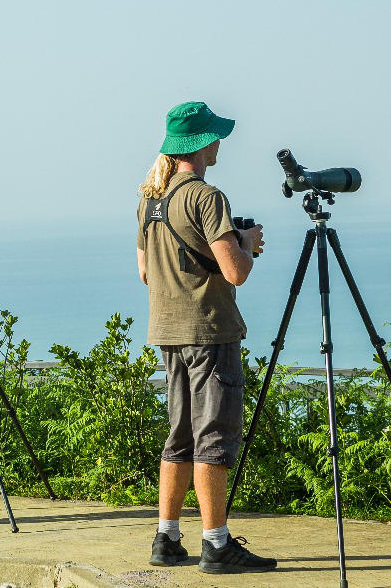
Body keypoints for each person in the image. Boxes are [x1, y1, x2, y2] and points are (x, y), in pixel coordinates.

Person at [136, 102, 277, 574]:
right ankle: (216, 544)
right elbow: (235, 273)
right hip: (210, 332)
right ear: (202, 143)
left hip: (168, 332)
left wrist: (223, 244)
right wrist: (246, 245)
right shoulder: (206, 196)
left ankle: (167, 537)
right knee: (213, 438)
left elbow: (144, 270)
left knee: (179, 438)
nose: (220, 144)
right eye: (215, 136)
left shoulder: (151, 198)